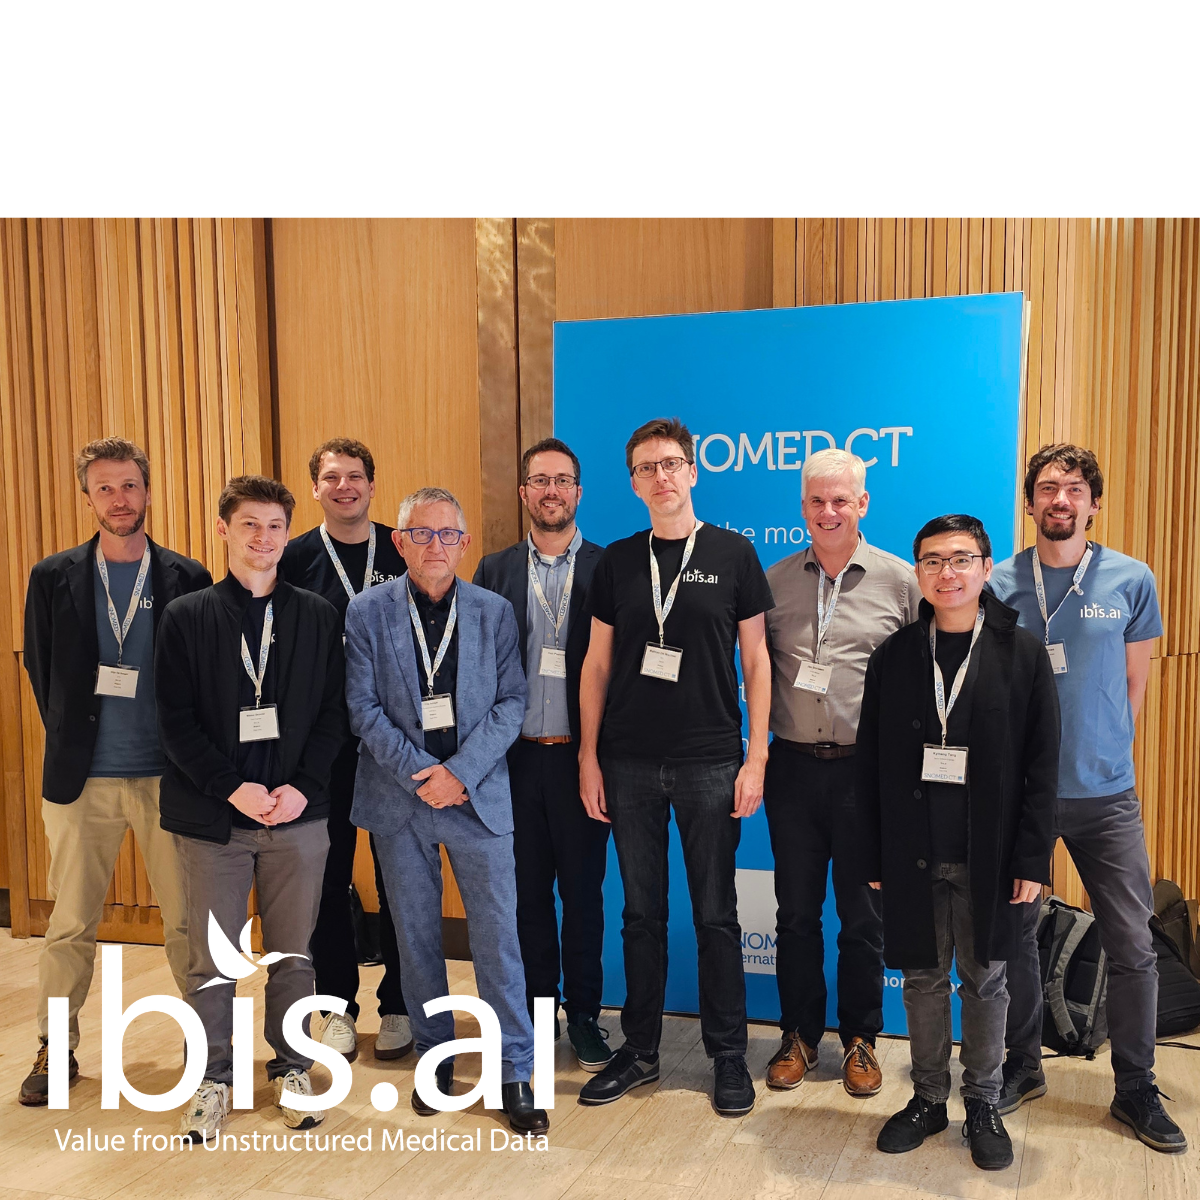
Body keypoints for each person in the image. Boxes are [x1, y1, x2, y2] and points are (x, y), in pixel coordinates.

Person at [990, 444, 1188, 1154]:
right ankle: (1021, 1066)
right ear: (1030, 502)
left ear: (1093, 503)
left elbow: (1134, 686)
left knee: (1133, 943)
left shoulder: (1133, 578)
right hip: (1021, 799)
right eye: (1048, 487)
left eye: (1074, 488)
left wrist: (1104, 752)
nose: (1061, 499)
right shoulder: (1000, 582)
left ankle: (1135, 1087)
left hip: (1106, 798)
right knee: (1013, 937)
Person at [576, 417, 773, 1117]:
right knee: (640, 915)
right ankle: (641, 1050)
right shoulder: (617, 562)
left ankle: (728, 1055)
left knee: (717, 915)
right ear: (633, 483)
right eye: (645, 468)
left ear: (692, 471)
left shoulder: (733, 553)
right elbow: (596, 665)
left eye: (670, 464)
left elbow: (757, 660)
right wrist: (588, 756)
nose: (659, 477)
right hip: (627, 762)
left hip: (710, 761)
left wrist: (757, 756)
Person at [857, 513, 1059, 1172]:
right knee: (921, 979)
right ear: (918, 571)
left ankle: (983, 1101)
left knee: (986, 981)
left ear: (985, 567)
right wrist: (873, 853)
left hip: (989, 855)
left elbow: (1042, 765)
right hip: (911, 850)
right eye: (933, 561)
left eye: (961, 558)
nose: (948, 572)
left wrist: (1032, 857)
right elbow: (869, 763)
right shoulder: (894, 656)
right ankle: (927, 1098)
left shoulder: (1021, 653)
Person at [344, 486, 548, 1135]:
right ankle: (435, 1058)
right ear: (399, 542)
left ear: (464, 543)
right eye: (421, 533)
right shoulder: (366, 611)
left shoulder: (493, 611)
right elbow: (362, 709)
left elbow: (512, 703)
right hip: (399, 799)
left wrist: (458, 773)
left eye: (448, 534)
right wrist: (421, 776)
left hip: (476, 797)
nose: (436, 545)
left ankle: (515, 1069)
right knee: (415, 938)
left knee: (498, 939)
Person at [18, 436, 212, 1106]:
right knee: (71, 923)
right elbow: (41, 669)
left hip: (170, 779)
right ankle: (54, 1047)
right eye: (105, 487)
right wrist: (75, 737)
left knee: (186, 923)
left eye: (129, 485)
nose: (119, 499)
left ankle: (206, 1045)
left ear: (148, 491)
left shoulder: (186, 576)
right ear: (88, 497)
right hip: (82, 782)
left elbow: (202, 677)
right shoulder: (53, 576)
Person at [155, 475, 347, 1143]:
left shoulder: (316, 616)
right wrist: (230, 786)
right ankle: (210, 1080)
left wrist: (302, 786)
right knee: (212, 962)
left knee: (294, 955)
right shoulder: (186, 616)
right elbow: (173, 721)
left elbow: (334, 713)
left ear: (287, 534)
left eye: (274, 526)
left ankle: (292, 1068)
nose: (263, 538)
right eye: (249, 525)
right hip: (215, 821)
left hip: (298, 816)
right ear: (223, 530)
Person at [762, 448, 918, 1097]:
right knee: (795, 914)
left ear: (863, 504)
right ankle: (799, 1036)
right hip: (792, 771)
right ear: (802, 506)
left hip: (865, 776)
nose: (828, 512)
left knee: (863, 918)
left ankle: (860, 1039)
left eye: (841, 500)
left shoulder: (902, 582)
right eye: (817, 501)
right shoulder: (772, 582)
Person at [473, 437, 613, 1071]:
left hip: (584, 760)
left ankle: (584, 1016)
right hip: (514, 762)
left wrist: (596, 756)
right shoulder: (494, 570)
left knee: (583, 896)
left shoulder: (610, 567)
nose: (550, 491)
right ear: (524, 493)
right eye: (539, 481)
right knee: (525, 896)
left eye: (561, 480)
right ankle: (535, 1013)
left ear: (578, 492)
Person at [279, 437, 410, 1065]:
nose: (344, 487)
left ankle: (400, 1003)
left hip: (393, 739)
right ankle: (335, 1006)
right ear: (315, 488)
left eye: (355, 476)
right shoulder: (294, 557)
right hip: (322, 744)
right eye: (331, 477)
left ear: (372, 485)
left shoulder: (403, 547)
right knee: (327, 880)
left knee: (399, 876)